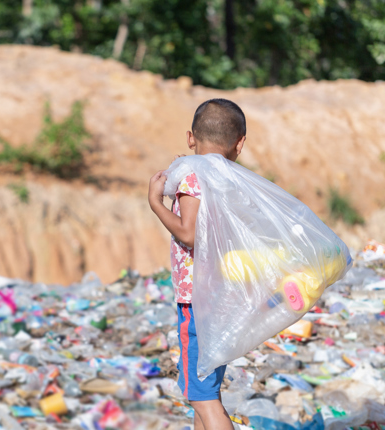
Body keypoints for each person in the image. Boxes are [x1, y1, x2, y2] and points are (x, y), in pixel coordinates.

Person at [148, 98, 247, 430]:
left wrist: (156, 203)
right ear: (240, 144)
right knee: (204, 392)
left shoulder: (194, 177)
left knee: (203, 398)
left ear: (191, 138)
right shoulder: (231, 179)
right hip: (220, 296)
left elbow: (189, 235)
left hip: (197, 302)